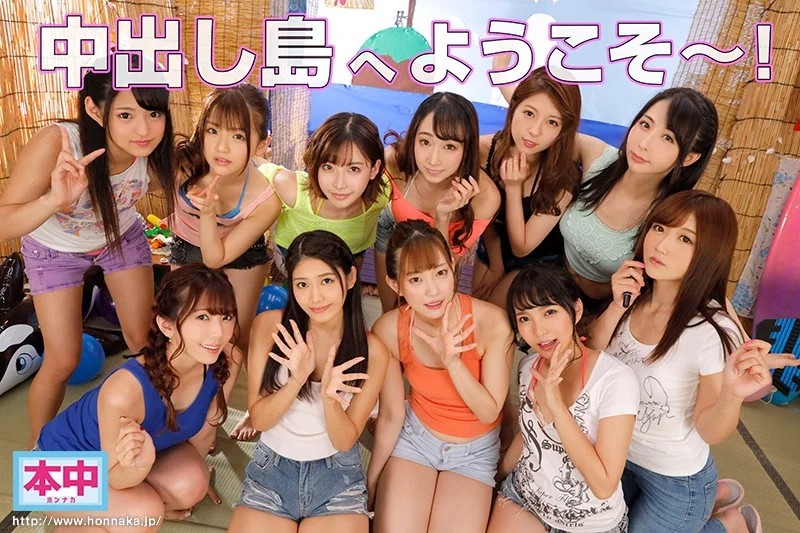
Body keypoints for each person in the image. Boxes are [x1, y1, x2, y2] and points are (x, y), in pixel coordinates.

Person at [0, 63, 175, 448]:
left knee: (146, 342)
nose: (144, 129)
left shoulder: (157, 152)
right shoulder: (59, 143)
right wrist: (53, 200)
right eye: (125, 115)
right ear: (95, 110)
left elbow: (194, 183)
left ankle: (163, 431)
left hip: (120, 237)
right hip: (53, 249)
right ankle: (41, 449)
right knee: (63, 359)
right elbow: (4, 222)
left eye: (153, 113)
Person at [587, 190, 779, 532]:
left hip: (675, 482)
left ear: (708, 253)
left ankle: (731, 524)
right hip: (614, 456)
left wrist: (731, 395)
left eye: (685, 238)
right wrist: (617, 304)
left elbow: (710, 430)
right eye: (659, 228)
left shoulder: (711, 330)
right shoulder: (634, 295)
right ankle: (717, 497)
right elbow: (593, 356)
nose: (661, 245)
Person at [36, 264, 237, 530]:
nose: (219, 333)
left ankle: (117, 513)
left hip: (121, 464)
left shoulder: (226, 359)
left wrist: (191, 483)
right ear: (167, 325)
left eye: (226, 317)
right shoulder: (125, 390)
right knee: (143, 514)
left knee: (191, 485)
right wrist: (140, 467)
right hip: (53, 469)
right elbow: (117, 477)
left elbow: (205, 431)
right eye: (202, 317)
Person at [229, 230, 389, 533]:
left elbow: (344, 441)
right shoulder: (271, 327)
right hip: (271, 472)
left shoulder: (373, 351)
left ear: (350, 278)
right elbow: (260, 420)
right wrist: (296, 380)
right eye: (302, 284)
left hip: (336, 478)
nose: (315, 297)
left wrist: (330, 399)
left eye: (326, 281)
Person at [369, 220, 514, 533]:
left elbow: (488, 411)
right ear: (395, 285)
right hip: (416, 439)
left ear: (452, 266)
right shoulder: (389, 330)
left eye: (439, 273)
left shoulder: (492, 323)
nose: (432, 290)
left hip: (474, 452)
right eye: (416, 279)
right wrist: (371, 483)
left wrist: (453, 362)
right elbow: (392, 415)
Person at [488, 264, 638, 532]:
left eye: (550, 312)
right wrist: (493, 479)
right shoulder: (528, 367)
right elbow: (528, 434)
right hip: (523, 497)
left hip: (589, 524)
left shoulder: (615, 380)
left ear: (576, 310)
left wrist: (556, 405)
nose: (539, 330)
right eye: (525, 318)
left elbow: (604, 485)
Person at [171, 84, 281, 441]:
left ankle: (214, 422)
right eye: (213, 130)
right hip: (187, 244)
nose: (221, 147)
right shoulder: (180, 163)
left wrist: (208, 213)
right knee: (182, 332)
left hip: (240, 254)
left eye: (238, 136)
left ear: (262, 143)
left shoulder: (266, 198)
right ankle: (175, 411)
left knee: (232, 340)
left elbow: (216, 256)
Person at [563, 88, 718, 307]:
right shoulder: (597, 158)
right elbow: (545, 132)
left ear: (689, 158)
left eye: (667, 138)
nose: (644, 143)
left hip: (605, 309)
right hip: (550, 278)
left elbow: (703, 283)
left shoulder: (672, 216)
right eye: (645, 124)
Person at [373, 92, 502, 312]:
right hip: (394, 233)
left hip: (442, 255)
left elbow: (444, 269)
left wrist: (443, 216)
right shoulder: (396, 162)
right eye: (425, 142)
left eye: (449, 146)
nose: (433, 160)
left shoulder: (484, 197)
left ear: (466, 149)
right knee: (392, 312)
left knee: (431, 311)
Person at [472, 67, 582, 308]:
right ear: (514, 108)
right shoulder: (485, 151)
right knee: (475, 309)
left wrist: (513, 188)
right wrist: (496, 266)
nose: (535, 130)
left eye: (552, 122)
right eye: (529, 113)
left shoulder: (563, 177)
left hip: (539, 264)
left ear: (562, 129)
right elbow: (485, 219)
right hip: (493, 249)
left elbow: (521, 248)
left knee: (489, 315)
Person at [258, 112, 390, 269]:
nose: (339, 184)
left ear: (374, 169)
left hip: (350, 258)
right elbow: (259, 167)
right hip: (292, 260)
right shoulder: (293, 190)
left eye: (354, 169)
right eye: (328, 167)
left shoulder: (384, 194)